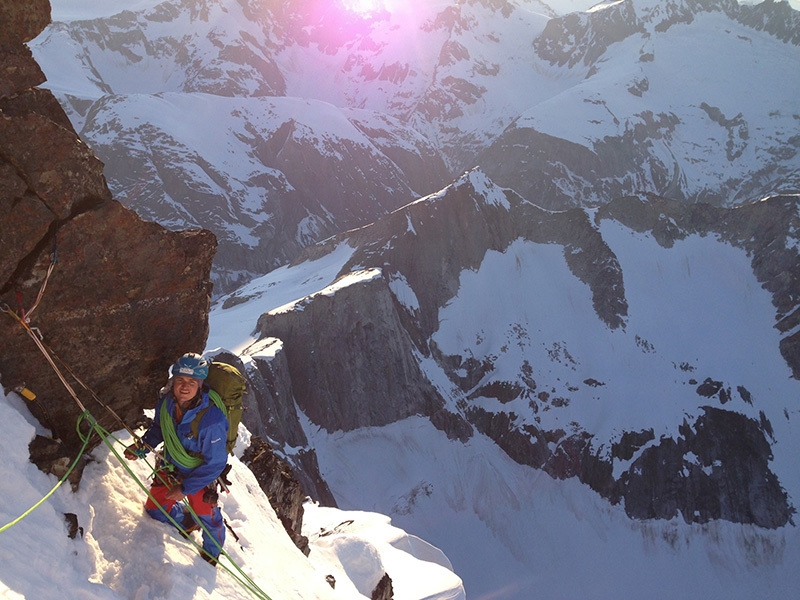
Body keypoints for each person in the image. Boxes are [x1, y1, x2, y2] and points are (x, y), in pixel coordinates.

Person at [124, 353, 228, 566]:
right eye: (180, 380)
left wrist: (184, 489)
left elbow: (215, 464)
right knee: (155, 510)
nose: (184, 386)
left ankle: (211, 555)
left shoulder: (211, 420)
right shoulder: (166, 404)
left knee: (208, 519)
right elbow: (159, 429)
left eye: (191, 382)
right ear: (173, 380)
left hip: (199, 476)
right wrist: (142, 448)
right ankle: (187, 520)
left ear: (200, 384)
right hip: (171, 466)